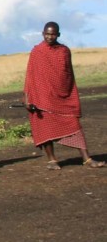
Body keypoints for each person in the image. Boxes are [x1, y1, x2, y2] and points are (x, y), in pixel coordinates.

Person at [23, 22, 104, 169]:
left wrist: (69, 93)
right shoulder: (37, 51)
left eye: (53, 34)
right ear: (42, 34)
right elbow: (30, 75)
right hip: (42, 97)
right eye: (47, 34)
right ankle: (52, 160)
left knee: (74, 124)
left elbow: (68, 74)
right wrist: (27, 97)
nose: (49, 37)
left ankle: (87, 159)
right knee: (45, 127)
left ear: (58, 34)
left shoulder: (64, 51)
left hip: (63, 96)